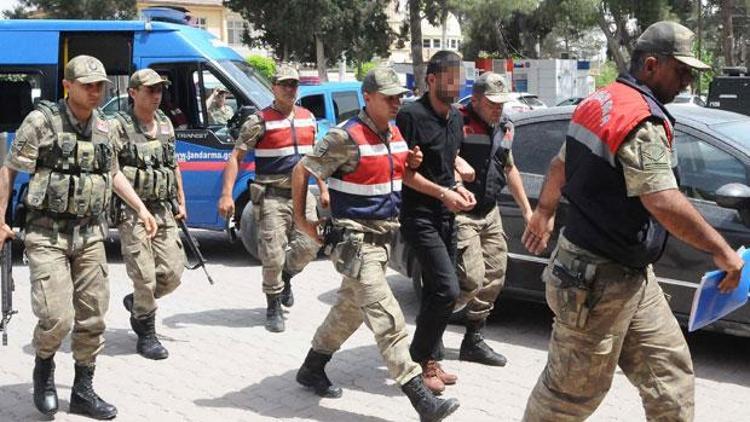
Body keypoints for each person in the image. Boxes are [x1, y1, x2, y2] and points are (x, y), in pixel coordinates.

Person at [521, 21, 744, 421]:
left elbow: (560, 163)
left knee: (670, 378)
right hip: (594, 282)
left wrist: (544, 212)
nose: (687, 81)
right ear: (651, 65)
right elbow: (662, 200)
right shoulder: (640, 121)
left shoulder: (601, 100)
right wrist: (722, 251)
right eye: (682, 70)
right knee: (568, 398)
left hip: (632, 277)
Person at [291, 65, 459, 422]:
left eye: (400, 96)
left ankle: (312, 366)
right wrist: (302, 221)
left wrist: (409, 164)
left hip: (383, 239)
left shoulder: (394, 133)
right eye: (389, 97)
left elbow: (399, 173)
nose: (397, 102)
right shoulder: (344, 136)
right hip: (354, 241)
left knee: (349, 310)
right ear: (368, 98)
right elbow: (302, 170)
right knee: (387, 316)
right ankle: (420, 399)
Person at [0, 55, 158, 419]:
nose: (95, 92)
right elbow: (10, 171)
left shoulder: (104, 126)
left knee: (92, 317)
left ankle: (84, 389)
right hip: (46, 234)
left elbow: (113, 173)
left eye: (100, 85)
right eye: (87, 85)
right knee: (57, 317)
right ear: (68, 86)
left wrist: (140, 208)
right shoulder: (42, 122)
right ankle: (44, 368)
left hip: (89, 235)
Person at [217, 64, 325, 332]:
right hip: (272, 197)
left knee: (310, 245)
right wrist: (226, 194)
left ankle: (286, 276)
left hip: (303, 195)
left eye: (294, 85)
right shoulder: (259, 121)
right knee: (272, 253)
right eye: (285, 84)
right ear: (274, 88)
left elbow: (317, 159)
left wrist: (323, 189)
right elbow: (235, 157)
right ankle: (273, 304)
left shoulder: (308, 118)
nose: (290, 89)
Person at [395, 50, 476, 391]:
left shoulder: (456, 118)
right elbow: (403, 174)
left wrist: (459, 185)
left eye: (458, 77)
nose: (455, 84)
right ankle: (418, 357)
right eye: (448, 78)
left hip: (447, 215)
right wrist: (444, 193)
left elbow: (445, 164)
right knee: (447, 288)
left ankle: (429, 358)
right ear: (430, 80)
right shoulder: (410, 116)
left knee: (436, 291)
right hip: (419, 215)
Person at [453, 72, 532, 367]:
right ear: (475, 100)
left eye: (502, 103)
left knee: (495, 275)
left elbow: (509, 168)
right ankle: (431, 330)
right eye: (492, 103)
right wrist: (456, 170)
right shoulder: (456, 121)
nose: (498, 109)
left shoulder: (506, 126)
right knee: (470, 277)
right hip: (461, 211)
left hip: (489, 211)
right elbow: (440, 157)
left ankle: (473, 340)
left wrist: (526, 210)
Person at [113, 69, 188, 360]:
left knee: (171, 273)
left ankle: (137, 303)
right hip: (132, 210)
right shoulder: (117, 126)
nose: (157, 96)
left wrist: (181, 198)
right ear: (133, 92)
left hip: (163, 207)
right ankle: (147, 333)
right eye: (150, 90)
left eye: (159, 90)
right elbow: (113, 171)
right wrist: (139, 208)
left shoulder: (166, 123)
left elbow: (172, 163)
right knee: (144, 276)